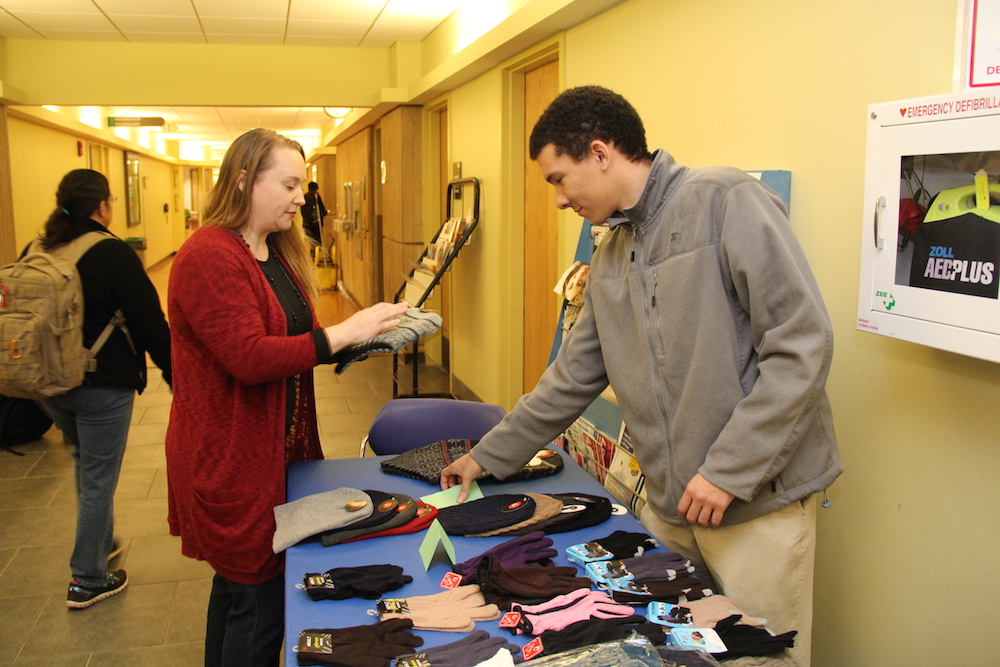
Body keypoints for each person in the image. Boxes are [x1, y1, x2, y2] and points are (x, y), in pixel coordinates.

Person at [441, 86, 842, 666]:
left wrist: (730, 469)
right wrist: (488, 455)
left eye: (558, 178)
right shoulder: (609, 255)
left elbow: (802, 344)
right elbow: (571, 377)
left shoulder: (726, 200)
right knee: (666, 652)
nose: (557, 199)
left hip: (756, 506)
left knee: (757, 658)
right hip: (672, 510)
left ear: (600, 154)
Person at [165, 128, 407, 667]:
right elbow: (250, 359)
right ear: (246, 179)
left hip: (281, 457)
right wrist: (344, 332)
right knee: (258, 603)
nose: (303, 197)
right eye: (291, 184)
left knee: (238, 596)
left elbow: (296, 342)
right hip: (233, 461)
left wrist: (363, 340)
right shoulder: (210, 255)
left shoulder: (274, 250)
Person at [31, 169, 172, 609]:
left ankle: (102, 540)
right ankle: (88, 578)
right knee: (97, 477)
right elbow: (150, 323)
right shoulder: (113, 253)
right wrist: (177, 377)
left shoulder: (37, 249)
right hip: (101, 385)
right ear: (103, 206)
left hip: (47, 384)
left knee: (84, 461)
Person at [301, 181, 327, 246]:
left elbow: (302, 210)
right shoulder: (316, 196)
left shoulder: (305, 197)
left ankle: (312, 252)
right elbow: (321, 207)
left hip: (307, 223)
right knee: (317, 239)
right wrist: (324, 213)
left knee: (310, 239)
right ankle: (317, 251)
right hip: (316, 223)